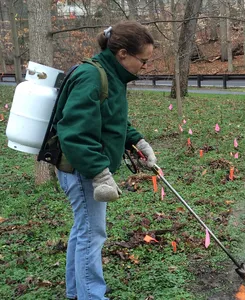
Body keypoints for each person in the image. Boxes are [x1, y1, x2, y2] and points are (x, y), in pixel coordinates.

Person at [53, 21, 157, 300]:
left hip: (86, 168)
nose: (145, 66)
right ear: (123, 54)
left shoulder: (112, 76)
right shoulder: (91, 76)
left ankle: (77, 291)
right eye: (143, 60)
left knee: (83, 230)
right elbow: (74, 132)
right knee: (92, 235)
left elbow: (111, 120)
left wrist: (137, 141)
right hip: (81, 170)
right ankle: (92, 295)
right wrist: (99, 173)